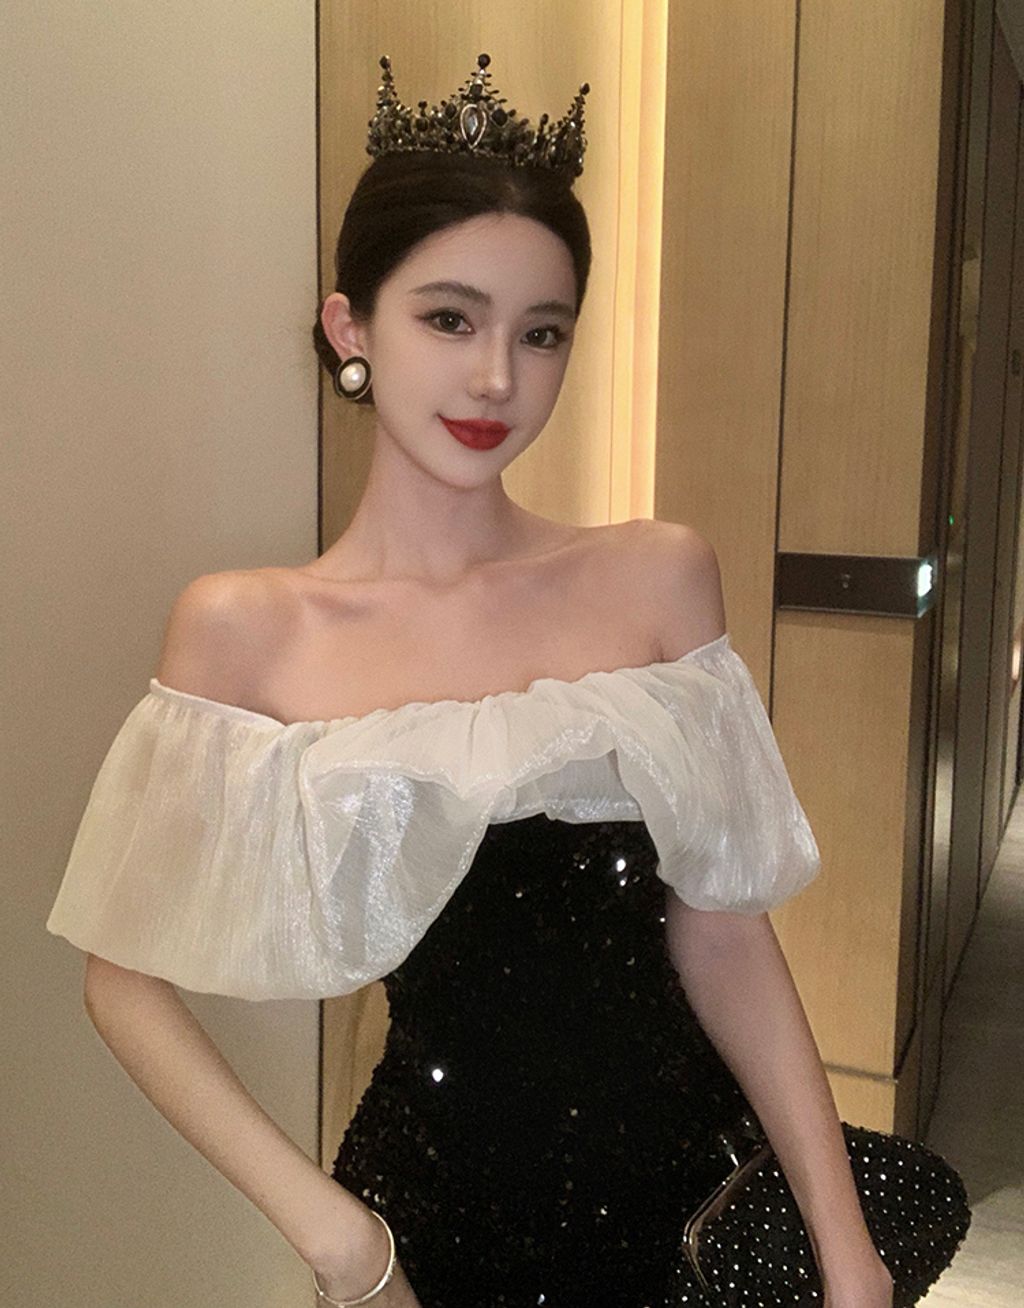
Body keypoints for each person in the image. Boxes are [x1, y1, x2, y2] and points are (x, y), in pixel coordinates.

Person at [46, 52, 965, 1308]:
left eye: (540, 334)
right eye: (449, 319)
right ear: (350, 329)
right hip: (430, 1223)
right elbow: (121, 976)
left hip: (686, 1204)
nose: (496, 379)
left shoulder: (656, 577)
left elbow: (721, 929)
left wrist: (844, 1247)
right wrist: (338, 1239)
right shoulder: (249, 630)